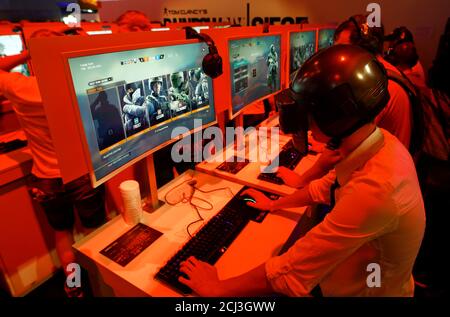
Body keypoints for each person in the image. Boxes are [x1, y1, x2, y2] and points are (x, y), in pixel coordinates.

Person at [178, 45, 425, 297]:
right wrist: (274, 205)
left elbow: (292, 270)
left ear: (333, 117)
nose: (305, 122)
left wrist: (218, 288)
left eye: (310, 112)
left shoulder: (377, 190)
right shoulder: (380, 143)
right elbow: (325, 187)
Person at [0, 41, 106, 297]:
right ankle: (101, 284)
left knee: (62, 234)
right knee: (95, 233)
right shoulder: (75, 83)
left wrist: (28, 53)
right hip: (80, 173)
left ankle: (74, 287)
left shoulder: (19, 86)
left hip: (44, 178)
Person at [333, 15, 413, 150]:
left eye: (342, 49)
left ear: (363, 49)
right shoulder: (384, 70)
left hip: (386, 166)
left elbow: (350, 146)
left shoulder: (378, 85)